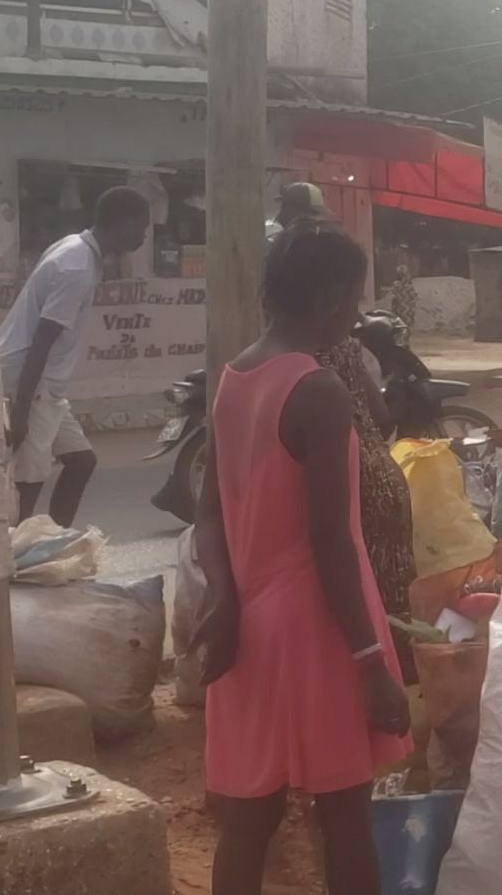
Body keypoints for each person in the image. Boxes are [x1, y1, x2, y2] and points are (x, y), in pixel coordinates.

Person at [192, 224, 410, 895]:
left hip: (250, 624)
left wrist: (224, 599)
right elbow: (331, 542)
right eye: (354, 299)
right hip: (321, 628)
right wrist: (370, 662)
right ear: (325, 298)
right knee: (344, 815)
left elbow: (208, 512)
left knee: (248, 818)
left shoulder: (234, 377)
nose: (356, 316)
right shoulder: (318, 390)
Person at [0, 186, 150, 525]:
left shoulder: (77, 250)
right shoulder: (76, 268)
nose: (144, 235)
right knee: (29, 480)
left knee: (82, 461)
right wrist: (21, 411)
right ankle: (15, 548)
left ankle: (55, 541)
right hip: (31, 384)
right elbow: (42, 340)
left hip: (45, 387)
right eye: (142, 226)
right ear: (121, 223)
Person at [314, 326, 417, 684]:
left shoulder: (293, 360)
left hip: (350, 481)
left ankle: (369, 681)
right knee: (393, 589)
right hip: (383, 477)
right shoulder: (346, 349)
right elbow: (383, 420)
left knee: (356, 586)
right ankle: (401, 679)